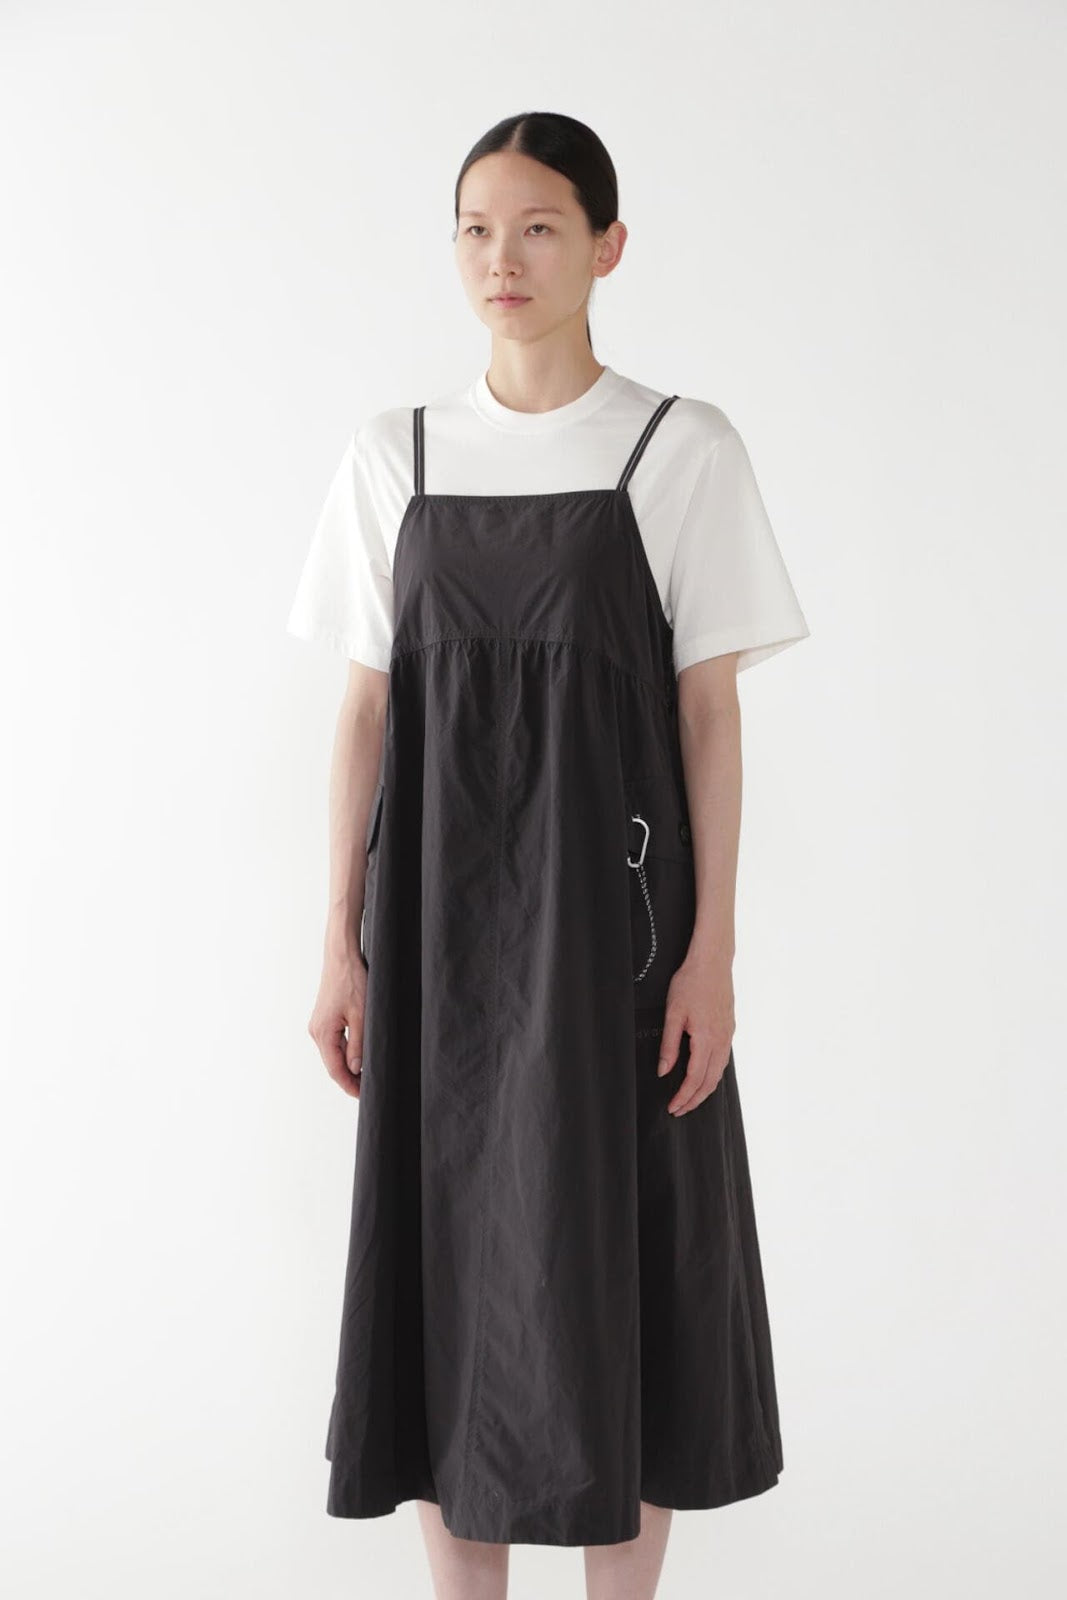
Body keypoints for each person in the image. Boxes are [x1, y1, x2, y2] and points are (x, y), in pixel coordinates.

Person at [287, 110, 810, 1600]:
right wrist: (339, 941)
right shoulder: (394, 453)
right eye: (474, 229)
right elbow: (365, 710)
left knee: (620, 1270)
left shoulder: (678, 446)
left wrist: (713, 952)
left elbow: (707, 713)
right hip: (434, 940)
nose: (500, 259)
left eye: (537, 228)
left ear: (607, 246)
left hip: (618, 942)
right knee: (450, 1276)